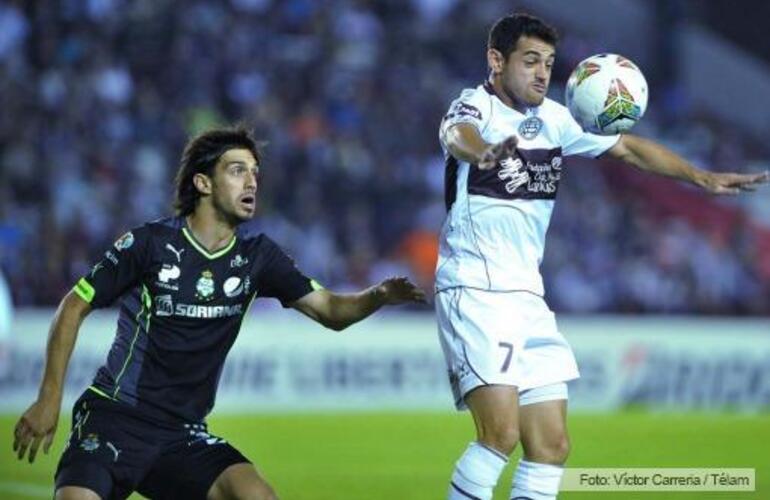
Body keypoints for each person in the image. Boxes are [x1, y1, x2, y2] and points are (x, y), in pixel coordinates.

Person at [435, 13, 768, 500]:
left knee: (551, 445)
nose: (543, 74)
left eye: (548, 63)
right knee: (499, 436)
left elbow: (629, 149)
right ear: (496, 60)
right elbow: (455, 138)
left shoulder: (553, 118)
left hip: (527, 296)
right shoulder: (473, 107)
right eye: (530, 61)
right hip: (476, 288)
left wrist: (701, 177)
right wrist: (484, 152)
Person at [12, 125, 426, 500]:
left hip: (181, 435)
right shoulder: (149, 244)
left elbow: (332, 310)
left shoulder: (257, 256)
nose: (252, 181)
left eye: (255, 172)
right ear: (203, 182)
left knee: (257, 496)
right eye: (237, 170)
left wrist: (378, 295)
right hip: (115, 418)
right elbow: (73, 306)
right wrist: (49, 399)